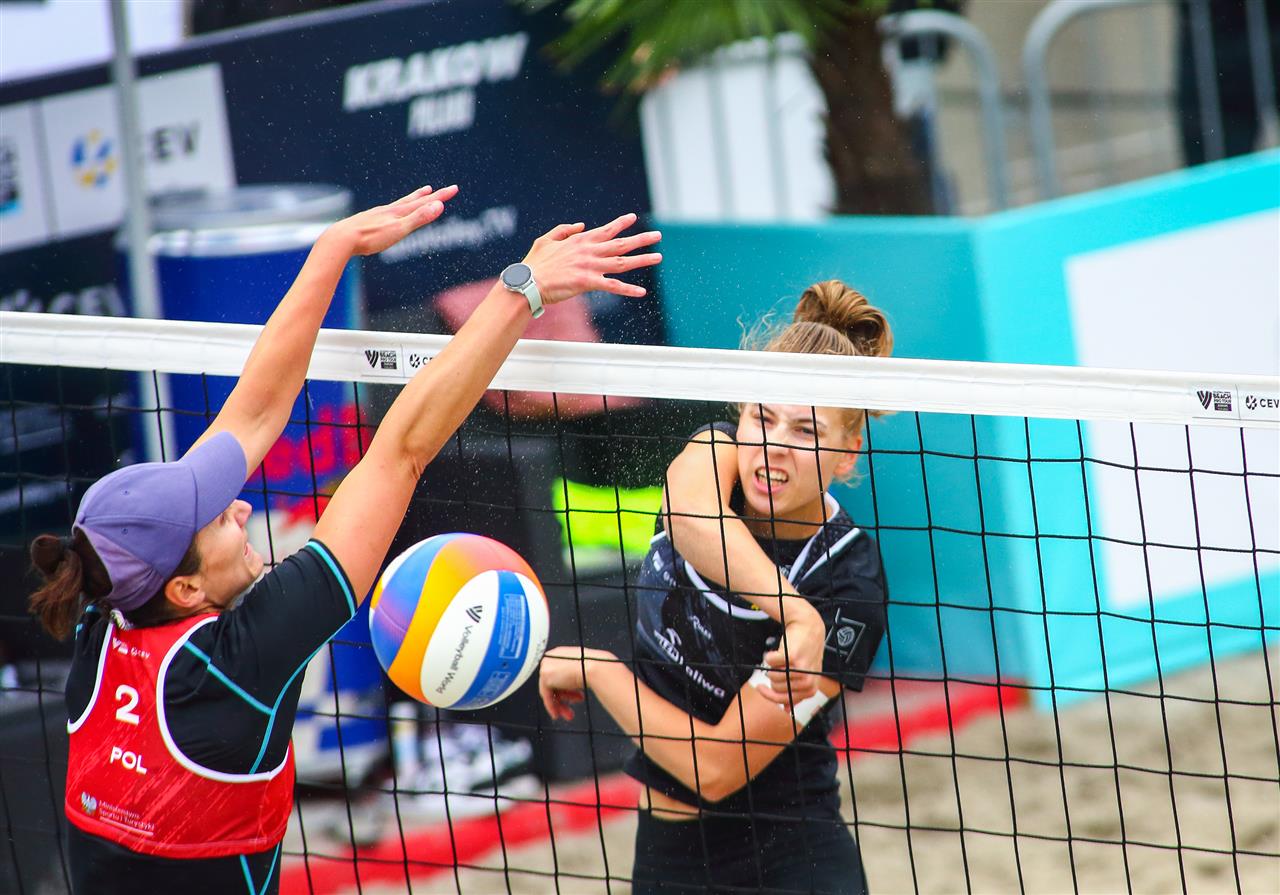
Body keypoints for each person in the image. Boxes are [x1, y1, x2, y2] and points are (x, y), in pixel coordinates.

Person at [27, 183, 661, 895]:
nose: (240, 507)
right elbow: (402, 451)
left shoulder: (103, 618)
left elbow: (254, 411)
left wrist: (332, 248)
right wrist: (522, 290)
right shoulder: (239, 661)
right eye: (218, 518)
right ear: (185, 587)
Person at [538, 280, 892, 895]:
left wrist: (601, 673)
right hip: (666, 859)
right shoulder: (711, 454)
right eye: (763, 417)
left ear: (847, 452)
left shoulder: (847, 580)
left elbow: (715, 769)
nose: (772, 449)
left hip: (791, 862)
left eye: (806, 431)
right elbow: (691, 521)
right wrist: (797, 616)